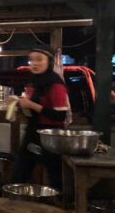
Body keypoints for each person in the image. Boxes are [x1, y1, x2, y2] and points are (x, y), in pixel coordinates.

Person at [11, 46, 70, 190]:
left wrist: (30, 104)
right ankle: (17, 202)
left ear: (49, 61)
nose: (34, 63)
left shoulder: (55, 83)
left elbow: (60, 115)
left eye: (39, 59)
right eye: (31, 60)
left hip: (51, 136)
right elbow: (33, 108)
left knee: (54, 174)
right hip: (35, 132)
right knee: (22, 169)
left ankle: (62, 204)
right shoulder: (36, 81)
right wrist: (19, 102)